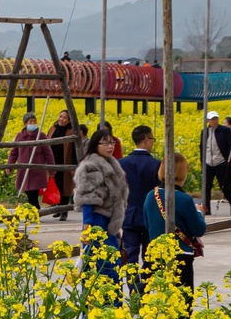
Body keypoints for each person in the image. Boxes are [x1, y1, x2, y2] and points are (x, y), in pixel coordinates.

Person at [144, 152, 206, 292]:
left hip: (157, 255)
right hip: (181, 256)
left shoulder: (151, 195)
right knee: (183, 300)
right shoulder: (185, 199)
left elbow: (148, 224)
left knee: (162, 298)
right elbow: (199, 229)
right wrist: (198, 212)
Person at [73, 129, 128, 278]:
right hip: (96, 222)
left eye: (112, 142)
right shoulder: (91, 166)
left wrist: (115, 225)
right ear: (95, 145)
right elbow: (87, 198)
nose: (110, 146)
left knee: (112, 265)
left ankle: (110, 294)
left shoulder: (111, 163)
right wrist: (87, 226)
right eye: (105, 143)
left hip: (109, 223)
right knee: (100, 266)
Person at [118, 124, 162, 269]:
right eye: (152, 139)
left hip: (129, 216)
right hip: (150, 218)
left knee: (130, 256)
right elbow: (159, 193)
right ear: (146, 139)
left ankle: (133, 283)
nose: (153, 143)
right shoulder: (156, 164)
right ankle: (146, 282)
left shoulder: (121, 163)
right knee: (150, 257)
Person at [7, 112, 53, 212]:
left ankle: (35, 210)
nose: (33, 124)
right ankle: (35, 211)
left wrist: (51, 168)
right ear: (25, 124)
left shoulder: (41, 136)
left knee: (33, 192)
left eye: (34, 121)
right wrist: (9, 165)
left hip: (37, 170)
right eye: (30, 122)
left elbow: (48, 153)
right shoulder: (20, 136)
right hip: (23, 170)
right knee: (28, 191)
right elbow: (14, 152)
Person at [45, 108, 83, 219]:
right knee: (55, 185)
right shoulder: (53, 128)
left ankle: (64, 211)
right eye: (60, 116)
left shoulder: (72, 132)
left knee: (64, 187)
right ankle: (57, 208)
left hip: (66, 162)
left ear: (69, 120)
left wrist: (75, 165)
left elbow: (76, 150)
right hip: (53, 162)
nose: (61, 119)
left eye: (64, 118)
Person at [199, 110, 231, 216]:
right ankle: (207, 209)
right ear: (208, 121)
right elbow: (202, 147)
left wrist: (227, 161)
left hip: (220, 162)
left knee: (224, 186)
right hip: (208, 163)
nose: (214, 121)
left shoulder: (224, 130)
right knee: (206, 187)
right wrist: (202, 162)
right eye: (212, 119)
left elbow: (230, 146)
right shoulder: (204, 131)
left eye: (216, 119)